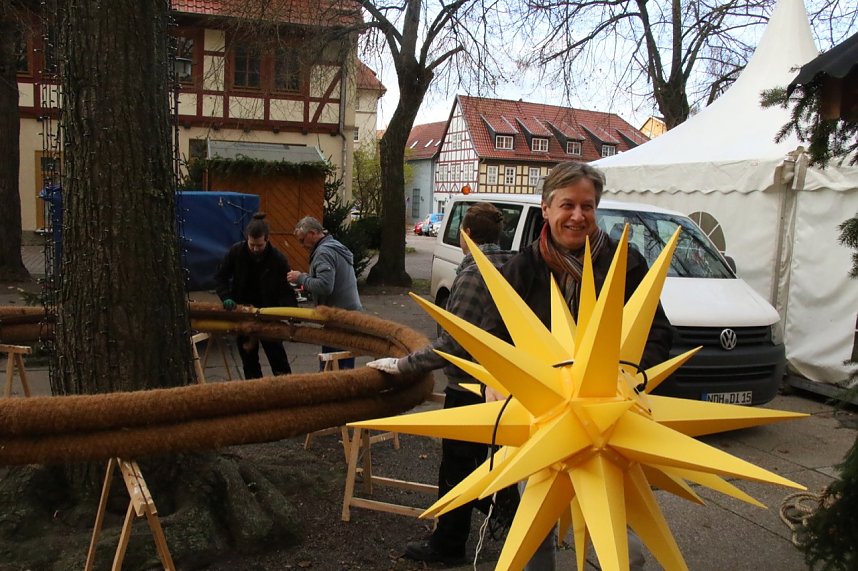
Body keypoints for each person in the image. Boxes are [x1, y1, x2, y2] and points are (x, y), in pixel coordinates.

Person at [483, 161, 672, 570]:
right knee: (535, 533)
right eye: (567, 205)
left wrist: (630, 377)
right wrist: (495, 379)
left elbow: (657, 332)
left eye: (587, 206)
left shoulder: (626, 263)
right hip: (541, 418)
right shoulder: (522, 268)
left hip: (608, 420)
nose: (577, 215)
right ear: (546, 208)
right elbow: (494, 333)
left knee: (619, 540)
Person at [366, 203, 516, 565]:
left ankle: (449, 544)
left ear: (466, 234)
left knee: (456, 468)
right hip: (506, 388)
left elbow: (454, 343)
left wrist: (403, 365)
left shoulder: (474, 272)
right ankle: (503, 511)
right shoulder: (512, 264)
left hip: (470, 388)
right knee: (484, 463)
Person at [214, 212, 298, 379]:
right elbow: (220, 277)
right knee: (249, 359)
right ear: (247, 239)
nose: (255, 249)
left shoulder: (277, 259)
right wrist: (226, 297)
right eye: (252, 245)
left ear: (266, 239)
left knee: (277, 358)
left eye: (259, 245)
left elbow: (286, 289)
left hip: (269, 314)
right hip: (244, 312)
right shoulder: (237, 252)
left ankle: (286, 388)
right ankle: (254, 389)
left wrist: (292, 312)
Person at [287, 216, 362, 369]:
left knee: (333, 367)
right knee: (344, 365)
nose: (301, 245)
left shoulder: (323, 252)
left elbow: (325, 286)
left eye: (302, 240)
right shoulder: (334, 246)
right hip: (348, 315)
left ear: (312, 233)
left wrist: (301, 278)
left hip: (338, 318)